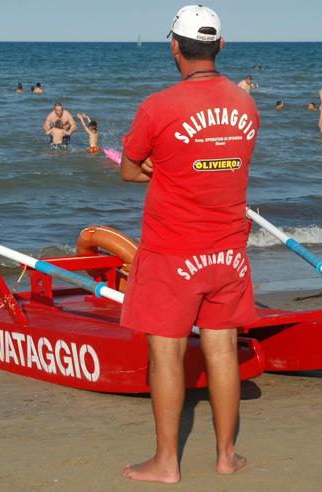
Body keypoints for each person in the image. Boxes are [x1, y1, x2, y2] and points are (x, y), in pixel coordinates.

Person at [119, 5, 258, 483]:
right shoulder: (245, 105)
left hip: (173, 252)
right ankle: (225, 455)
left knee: (167, 354)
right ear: (220, 47)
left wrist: (163, 171)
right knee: (221, 349)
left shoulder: (157, 106)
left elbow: (128, 169)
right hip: (227, 253)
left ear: (173, 46)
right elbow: (227, 164)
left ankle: (166, 462)